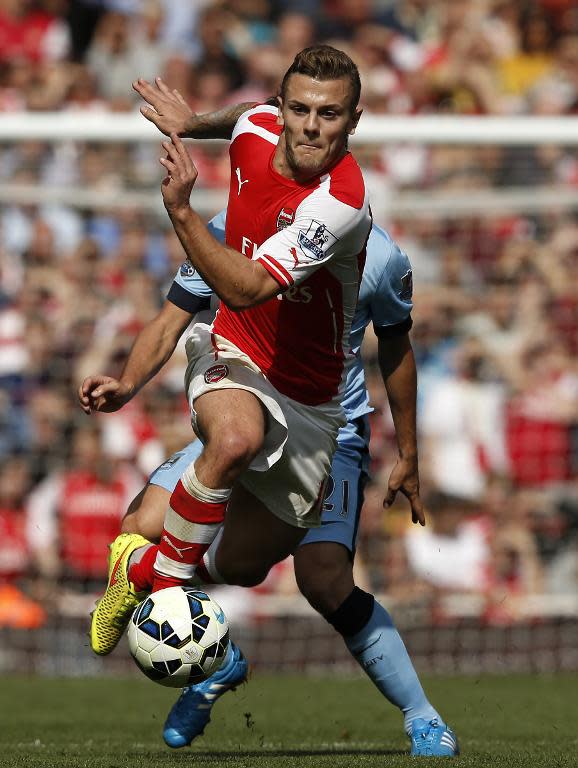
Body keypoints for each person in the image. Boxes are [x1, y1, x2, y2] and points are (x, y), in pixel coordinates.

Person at [84, 207, 459, 757]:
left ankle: (422, 717)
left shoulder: (380, 256)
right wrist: (127, 383)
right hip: (243, 407)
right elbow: (172, 318)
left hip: (328, 431)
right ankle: (209, 659)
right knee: (143, 523)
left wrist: (409, 452)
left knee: (319, 579)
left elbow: (397, 347)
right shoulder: (229, 227)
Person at [81, 45, 375, 656]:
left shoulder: (339, 203)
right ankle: (163, 598)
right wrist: (193, 125)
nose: (311, 127)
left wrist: (182, 211)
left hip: (313, 404)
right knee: (235, 437)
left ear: (354, 120)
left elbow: (245, 288)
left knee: (242, 565)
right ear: (282, 108)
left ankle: (137, 572)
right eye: (299, 109)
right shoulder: (257, 127)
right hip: (235, 353)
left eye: (329, 114)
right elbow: (246, 116)